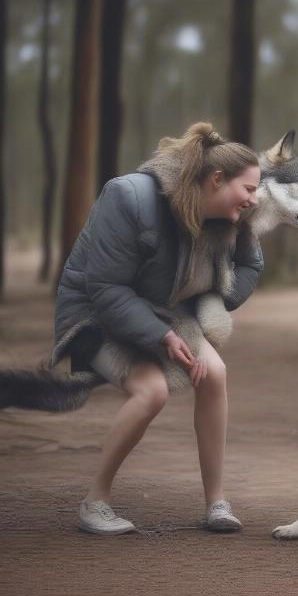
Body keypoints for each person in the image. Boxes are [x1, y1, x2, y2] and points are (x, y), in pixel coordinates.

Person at [53, 122, 263, 535]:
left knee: (215, 373)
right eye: (250, 189)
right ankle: (95, 502)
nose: (255, 200)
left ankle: (216, 503)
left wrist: (211, 304)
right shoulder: (129, 195)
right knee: (152, 391)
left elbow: (251, 266)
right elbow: (105, 287)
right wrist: (163, 337)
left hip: (164, 313)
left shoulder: (231, 218)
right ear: (217, 179)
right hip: (93, 312)